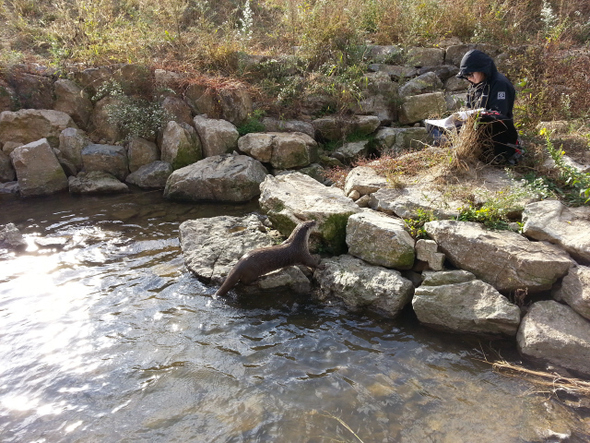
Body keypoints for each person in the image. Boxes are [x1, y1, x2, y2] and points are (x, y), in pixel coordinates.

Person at [456, 49, 522, 163]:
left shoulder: (500, 84)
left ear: (482, 70)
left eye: (470, 74)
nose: (468, 78)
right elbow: (468, 108)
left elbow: (499, 116)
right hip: (475, 130)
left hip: (497, 135)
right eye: (466, 76)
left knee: (487, 119)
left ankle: (497, 156)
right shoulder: (475, 85)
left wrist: (476, 116)